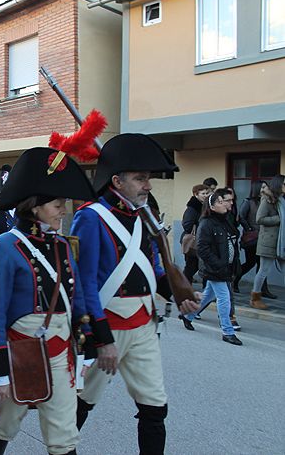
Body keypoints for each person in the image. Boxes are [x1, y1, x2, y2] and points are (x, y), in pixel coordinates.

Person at [70, 133, 200, 455]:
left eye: (149, 178)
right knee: (81, 404)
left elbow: (154, 270)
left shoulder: (142, 217)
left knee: (155, 408)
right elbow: (83, 283)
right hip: (107, 325)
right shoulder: (90, 217)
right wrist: (101, 338)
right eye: (141, 178)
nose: (148, 185)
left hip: (143, 326)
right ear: (117, 180)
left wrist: (175, 292)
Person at [0, 146, 97, 455]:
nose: (63, 210)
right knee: (4, 425)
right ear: (35, 206)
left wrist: (85, 352)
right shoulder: (2, 248)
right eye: (57, 204)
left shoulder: (63, 247)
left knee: (64, 436)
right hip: (21, 354)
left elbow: (78, 303)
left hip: (61, 353)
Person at [179, 189, 243, 345]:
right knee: (224, 298)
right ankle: (228, 331)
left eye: (228, 201)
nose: (227, 203)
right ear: (212, 206)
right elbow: (203, 249)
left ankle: (188, 316)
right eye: (222, 201)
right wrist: (219, 264)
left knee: (208, 295)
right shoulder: (206, 223)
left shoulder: (226, 219)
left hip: (226, 267)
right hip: (215, 269)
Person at [236, 181, 276, 298]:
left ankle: (263, 290)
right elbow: (241, 217)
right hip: (252, 238)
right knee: (251, 263)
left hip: (264, 238)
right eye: (263, 186)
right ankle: (235, 279)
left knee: (261, 264)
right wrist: (249, 228)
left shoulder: (268, 202)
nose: (265, 189)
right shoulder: (248, 202)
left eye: (266, 186)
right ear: (257, 188)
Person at [250, 175, 285, 310]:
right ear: (278, 185)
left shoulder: (283, 200)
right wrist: (279, 218)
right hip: (269, 241)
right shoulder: (268, 199)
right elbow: (259, 219)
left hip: (282, 241)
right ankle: (255, 298)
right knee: (263, 270)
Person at [181, 184, 209, 283]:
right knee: (191, 267)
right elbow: (187, 225)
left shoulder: (203, 206)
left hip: (200, 240)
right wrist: (198, 226)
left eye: (207, 193)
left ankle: (185, 286)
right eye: (203, 193)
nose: (205, 195)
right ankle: (183, 288)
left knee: (194, 267)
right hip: (193, 241)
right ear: (196, 194)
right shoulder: (193, 208)